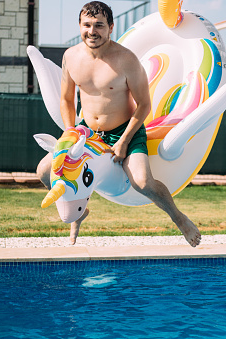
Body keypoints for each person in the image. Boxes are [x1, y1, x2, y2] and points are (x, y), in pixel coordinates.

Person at [59, 1, 201, 247]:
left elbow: (144, 105)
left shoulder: (126, 59)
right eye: (87, 25)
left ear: (111, 27)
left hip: (125, 130)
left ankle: (179, 219)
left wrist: (124, 140)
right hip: (87, 131)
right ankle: (80, 212)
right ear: (80, 25)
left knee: (143, 183)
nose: (92, 31)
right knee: (44, 171)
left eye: (99, 26)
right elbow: (66, 99)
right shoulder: (71, 57)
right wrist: (70, 131)